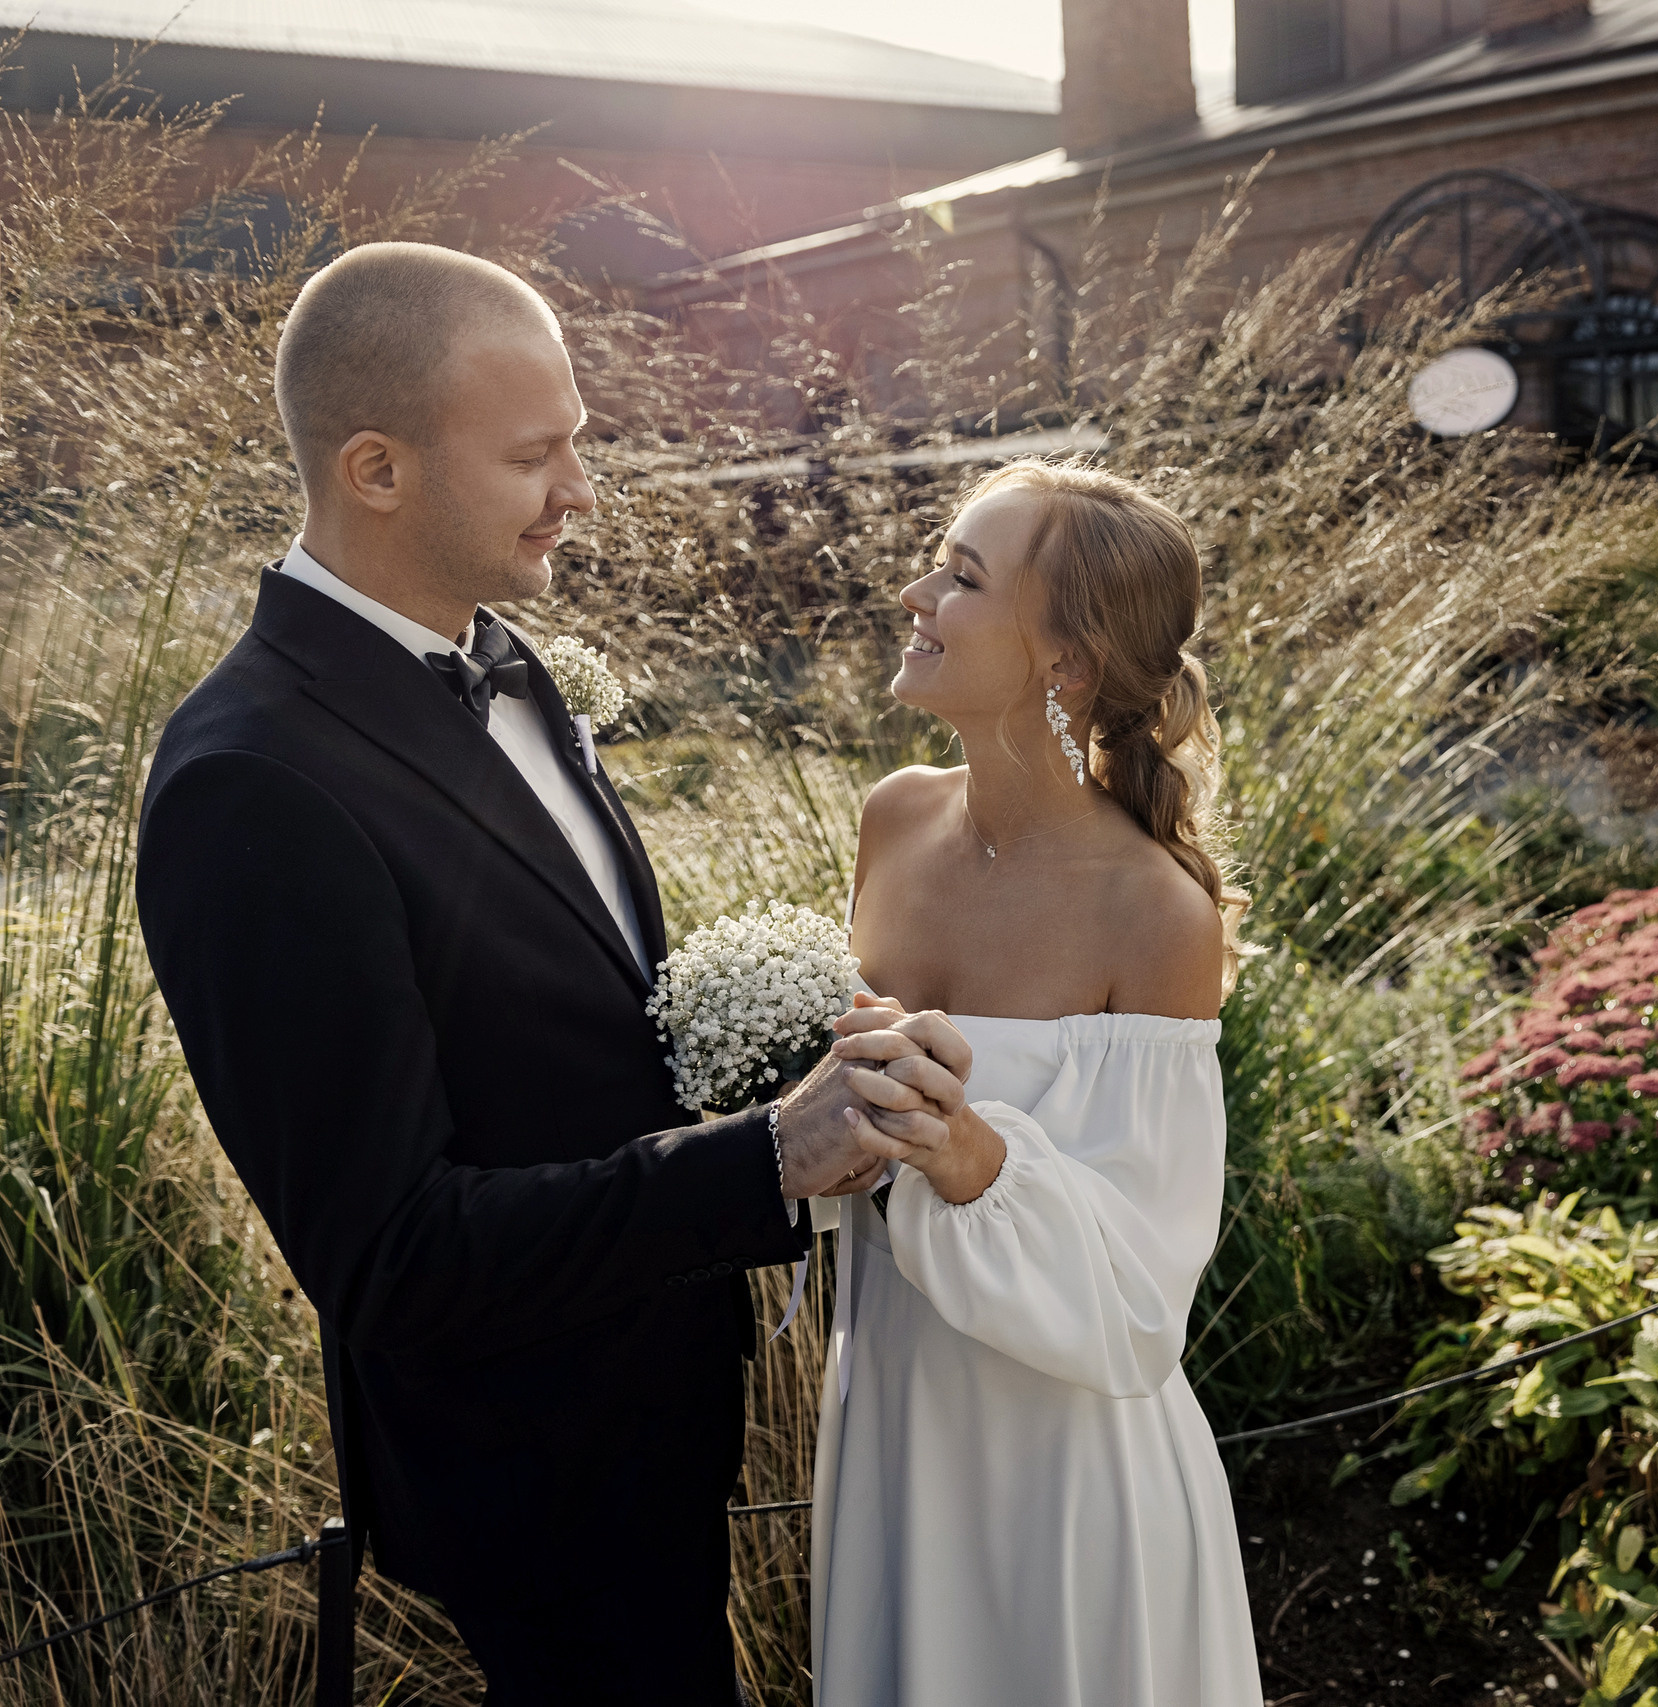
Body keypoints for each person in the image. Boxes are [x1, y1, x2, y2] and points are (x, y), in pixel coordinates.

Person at [134, 242, 883, 1704]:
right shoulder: (252, 783)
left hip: (660, 1418)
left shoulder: (508, 660)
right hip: (532, 1476)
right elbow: (392, 1255)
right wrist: (764, 1158)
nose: (579, 492)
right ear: (376, 468)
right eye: (534, 456)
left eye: (574, 445)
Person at [801, 460, 1262, 1704]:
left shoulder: (1154, 913)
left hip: (1063, 1475)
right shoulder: (894, 819)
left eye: (961, 578)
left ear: (1067, 661)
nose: (915, 596)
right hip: (890, 1415)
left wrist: (966, 1154)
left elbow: (1140, 1299)